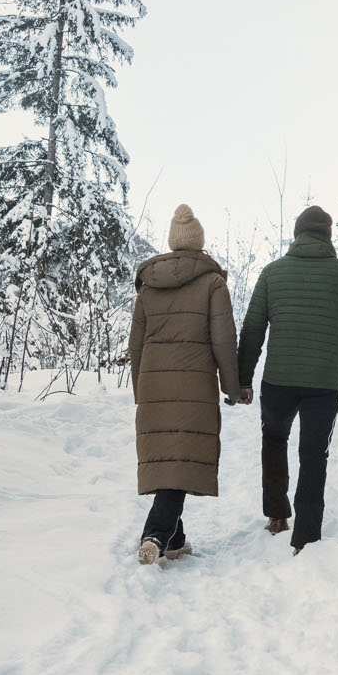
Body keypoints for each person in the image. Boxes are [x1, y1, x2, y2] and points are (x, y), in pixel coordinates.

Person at [236, 204, 338, 551]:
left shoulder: (272, 273)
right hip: (324, 385)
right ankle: (307, 536)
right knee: (314, 454)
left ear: (297, 234)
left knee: (274, 441)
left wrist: (244, 378)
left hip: (278, 379)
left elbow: (252, 329)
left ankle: (278, 516)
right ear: (328, 236)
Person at [126, 204, 249, 565]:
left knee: (171, 460)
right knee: (180, 460)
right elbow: (223, 340)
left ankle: (177, 541)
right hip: (194, 386)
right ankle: (156, 534)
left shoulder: (148, 287)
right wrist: (232, 387)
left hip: (153, 387)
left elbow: (136, 344)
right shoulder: (212, 283)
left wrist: (141, 391)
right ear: (199, 243)